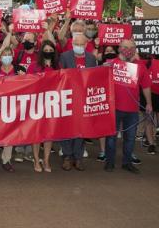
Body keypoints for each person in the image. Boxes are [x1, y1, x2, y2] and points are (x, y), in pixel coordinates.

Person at [106, 39, 152, 174]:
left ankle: (127, 162)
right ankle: (109, 162)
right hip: (114, 108)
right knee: (111, 137)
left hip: (132, 109)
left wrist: (149, 103)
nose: (128, 49)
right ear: (119, 48)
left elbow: (146, 86)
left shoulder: (140, 66)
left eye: (131, 47)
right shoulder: (111, 64)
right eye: (125, 47)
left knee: (130, 138)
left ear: (135, 49)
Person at [59, 34, 97, 171]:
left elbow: (94, 77)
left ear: (86, 45)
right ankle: (67, 156)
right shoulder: (64, 57)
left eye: (81, 44)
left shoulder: (92, 58)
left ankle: (78, 157)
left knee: (81, 128)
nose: (79, 47)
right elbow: (60, 77)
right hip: (68, 98)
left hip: (84, 99)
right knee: (67, 128)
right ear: (72, 44)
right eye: (76, 44)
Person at [0, 46, 25, 173]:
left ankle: (6, 160)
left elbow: (29, 85)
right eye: (4, 54)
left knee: (10, 133)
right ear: (0, 57)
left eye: (9, 54)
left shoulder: (20, 70)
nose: (7, 56)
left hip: (14, 107)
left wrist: (24, 77)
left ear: (13, 56)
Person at [27, 40, 60, 172]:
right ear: (41, 52)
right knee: (36, 134)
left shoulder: (58, 66)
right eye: (45, 51)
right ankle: (36, 160)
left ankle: (46, 160)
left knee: (49, 134)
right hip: (37, 104)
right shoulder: (34, 66)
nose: (48, 53)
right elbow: (27, 83)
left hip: (52, 104)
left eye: (50, 51)